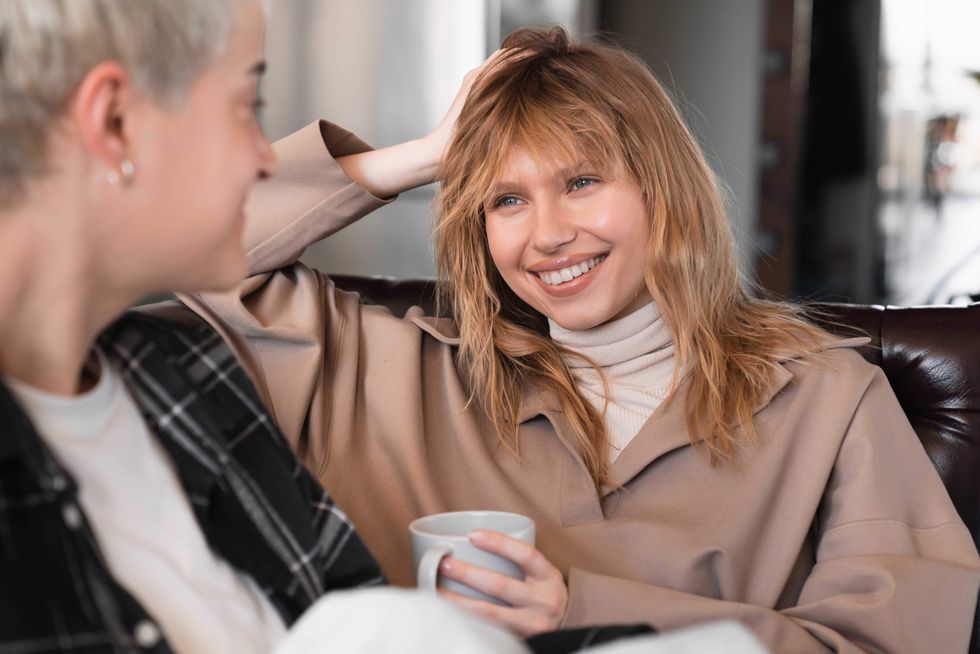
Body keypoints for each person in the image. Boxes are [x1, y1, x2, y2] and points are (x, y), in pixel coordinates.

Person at [181, 25, 980, 652]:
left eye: (581, 181)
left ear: (662, 189)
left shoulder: (826, 397)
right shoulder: (389, 373)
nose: (548, 235)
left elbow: (890, 643)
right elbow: (184, 242)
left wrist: (581, 610)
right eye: (506, 200)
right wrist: (425, 156)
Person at [0, 1, 559, 652]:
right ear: (116, 123)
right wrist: (423, 156)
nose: (265, 160)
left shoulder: (191, 379)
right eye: (248, 107)